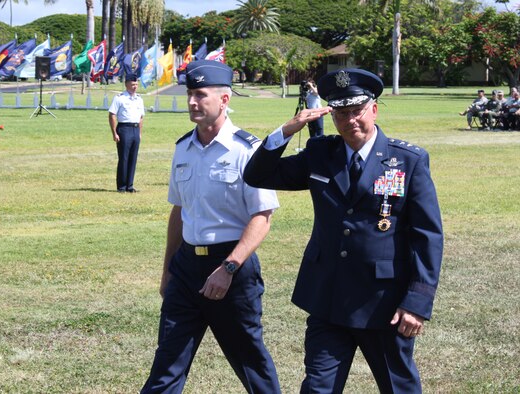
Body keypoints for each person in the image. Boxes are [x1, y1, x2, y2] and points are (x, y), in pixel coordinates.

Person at [243, 68, 444, 393]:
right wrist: (286, 130)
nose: (350, 120)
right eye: (341, 113)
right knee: (318, 388)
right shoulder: (320, 154)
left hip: (384, 303)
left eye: (357, 111)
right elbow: (258, 176)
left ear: (374, 109)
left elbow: (427, 236)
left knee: (398, 386)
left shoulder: (407, 161)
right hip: (328, 297)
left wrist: (417, 302)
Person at [140, 60, 281, 394]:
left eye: (200, 95)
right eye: (190, 93)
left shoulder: (247, 150)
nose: (192, 102)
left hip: (232, 267)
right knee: (167, 362)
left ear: (224, 100)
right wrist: (167, 272)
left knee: (251, 361)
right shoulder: (182, 148)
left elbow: (262, 218)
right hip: (186, 268)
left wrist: (228, 268)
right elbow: (179, 212)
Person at [108, 74, 145, 193]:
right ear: (126, 84)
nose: (135, 86)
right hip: (124, 129)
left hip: (135, 129)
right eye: (132, 84)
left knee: (133, 158)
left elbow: (141, 117)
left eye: (136, 84)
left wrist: (139, 132)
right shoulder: (119, 98)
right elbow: (112, 115)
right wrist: (114, 133)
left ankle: (130, 185)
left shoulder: (139, 99)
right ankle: (122, 186)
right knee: (123, 158)